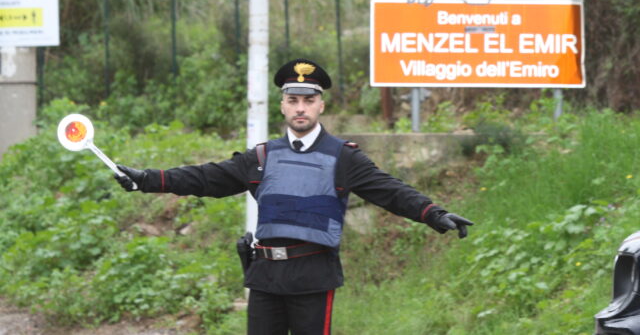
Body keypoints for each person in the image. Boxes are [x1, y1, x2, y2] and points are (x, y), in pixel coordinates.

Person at [113, 58, 473, 335]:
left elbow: (390, 191)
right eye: (293, 100)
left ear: (320, 107)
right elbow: (207, 178)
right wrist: (145, 179)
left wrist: (434, 214)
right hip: (266, 276)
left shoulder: (343, 158)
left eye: (308, 100)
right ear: (283, 106)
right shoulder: (262, 157)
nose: (300, 107)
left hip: (313, 277)